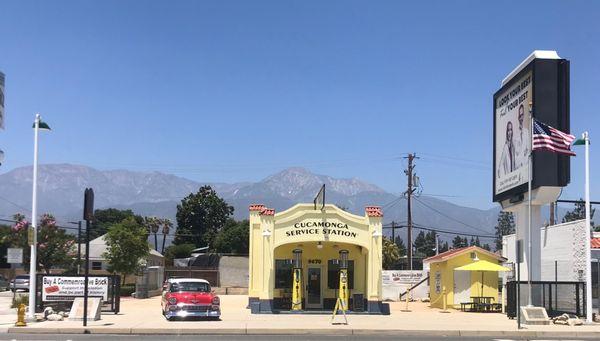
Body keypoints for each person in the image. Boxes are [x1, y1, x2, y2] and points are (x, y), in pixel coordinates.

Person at [514, 104, 529, 168]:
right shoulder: (515, 135)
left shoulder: (527, 132)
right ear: (518, 118)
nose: (521, 118)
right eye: (520, 116)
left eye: (522, 115)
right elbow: (515, 155)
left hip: (526, 167)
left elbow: (528, 151)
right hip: (518, 169)